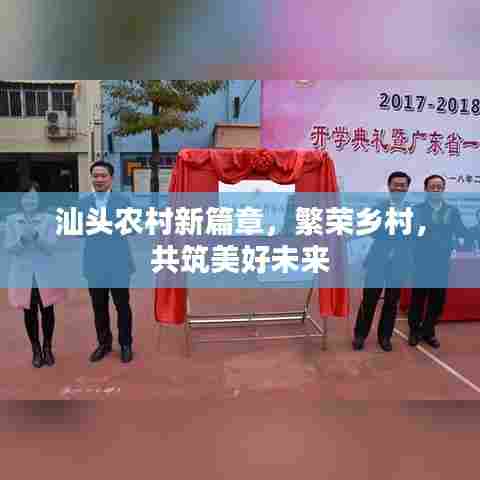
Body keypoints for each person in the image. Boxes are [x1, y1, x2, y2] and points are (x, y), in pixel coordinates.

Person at [4, 181, 67, 368]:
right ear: (20, 199)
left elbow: (52, 247)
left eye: (33, 197)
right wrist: (23, 240)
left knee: (47, 310)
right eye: (26, 197)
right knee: (29, 312)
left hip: (46, 271)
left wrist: (37, 237)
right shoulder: (12, 220)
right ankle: (36, 349)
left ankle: (47, 347)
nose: (30, 201)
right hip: (24, 273)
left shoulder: (49, 219)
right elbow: (9, 248)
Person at [80, 161, 135, 364]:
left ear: (111, 178)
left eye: (103, 176)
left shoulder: (123, 201)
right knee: (99, 306)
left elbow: (132, 228)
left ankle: (126, 344)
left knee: (122, 305)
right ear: (91, 178)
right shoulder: (84, 203)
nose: (99, 179)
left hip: (118, 262)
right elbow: (77, 230)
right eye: (95, 176)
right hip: (94, 264)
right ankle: (104, 344)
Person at [353, 171, 413, 352]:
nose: (399, 188)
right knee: (369, 299)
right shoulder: (378, 208)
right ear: (389, 186)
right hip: (378, 260)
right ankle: (360, 335)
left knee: (391, 302)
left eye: (403, 185)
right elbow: (369, 230)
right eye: (396, 184)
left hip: (399, 263)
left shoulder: (412, 211)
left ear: (407, 188)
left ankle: (385, 337)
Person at [408, 175, 468, 349]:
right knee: (418, 297)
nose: (436, 189)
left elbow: (460, 231)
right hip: (421, 261)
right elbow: (412, 233)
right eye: (432, 186)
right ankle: (414, 331)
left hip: (441, 262)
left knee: (437, 299)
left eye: (439, 187)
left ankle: (428, 331)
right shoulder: (416, 210)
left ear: (443, 189)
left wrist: (464, 237)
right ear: (426, 189)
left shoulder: (452, 210)